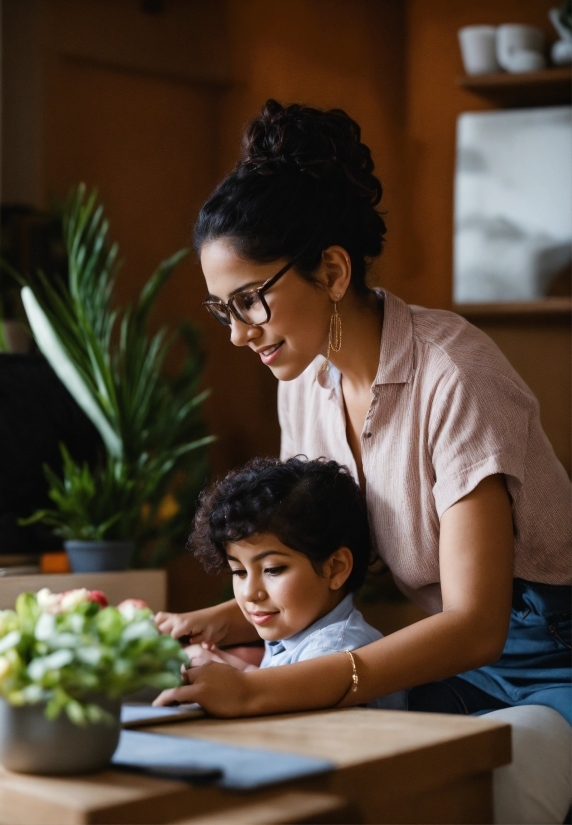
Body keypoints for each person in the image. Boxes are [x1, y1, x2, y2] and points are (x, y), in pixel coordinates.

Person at [155, 100, 571, 822]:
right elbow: (328, 559)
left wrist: (257, 689)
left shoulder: (455, 374)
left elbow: (478, 625)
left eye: (251, 300)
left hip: (548, 668)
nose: (237, 334)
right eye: (224, 309)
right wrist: (223, 618)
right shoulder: (306, 384)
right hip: (454, 666)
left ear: (334, 270)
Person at [156, 455, 406, 709]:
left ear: (335, 568)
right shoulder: (296, 635)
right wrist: (215, 663)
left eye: (273, 569)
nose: (250, 593)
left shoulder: (335, 650)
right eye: (239, 572)